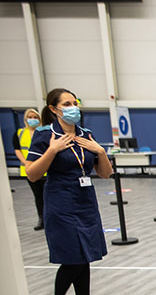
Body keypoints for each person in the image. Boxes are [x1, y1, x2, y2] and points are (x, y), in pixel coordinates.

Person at [25, 88, 113, 295]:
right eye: (66, 104)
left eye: (75, 103)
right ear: (53, 109)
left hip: (86, 203)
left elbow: (105, 174)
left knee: (85, 257)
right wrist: (52, 150)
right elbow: (32, 174)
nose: (73, 108)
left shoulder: (86, 135)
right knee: (73, 258)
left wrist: (100, 151)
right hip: (61, 204)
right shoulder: (45, 135)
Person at [13, 108, 46, 231]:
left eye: (35, 117)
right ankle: (41, 218)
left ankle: (51, 218)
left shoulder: (44, 132)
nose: (33, 119)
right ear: (26, 119)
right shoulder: (20, 133)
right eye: (30, 117)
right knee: (38, 196)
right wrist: (28, 163)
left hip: (45, 170)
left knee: (48, 195)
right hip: (28, 169)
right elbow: (18, 150)